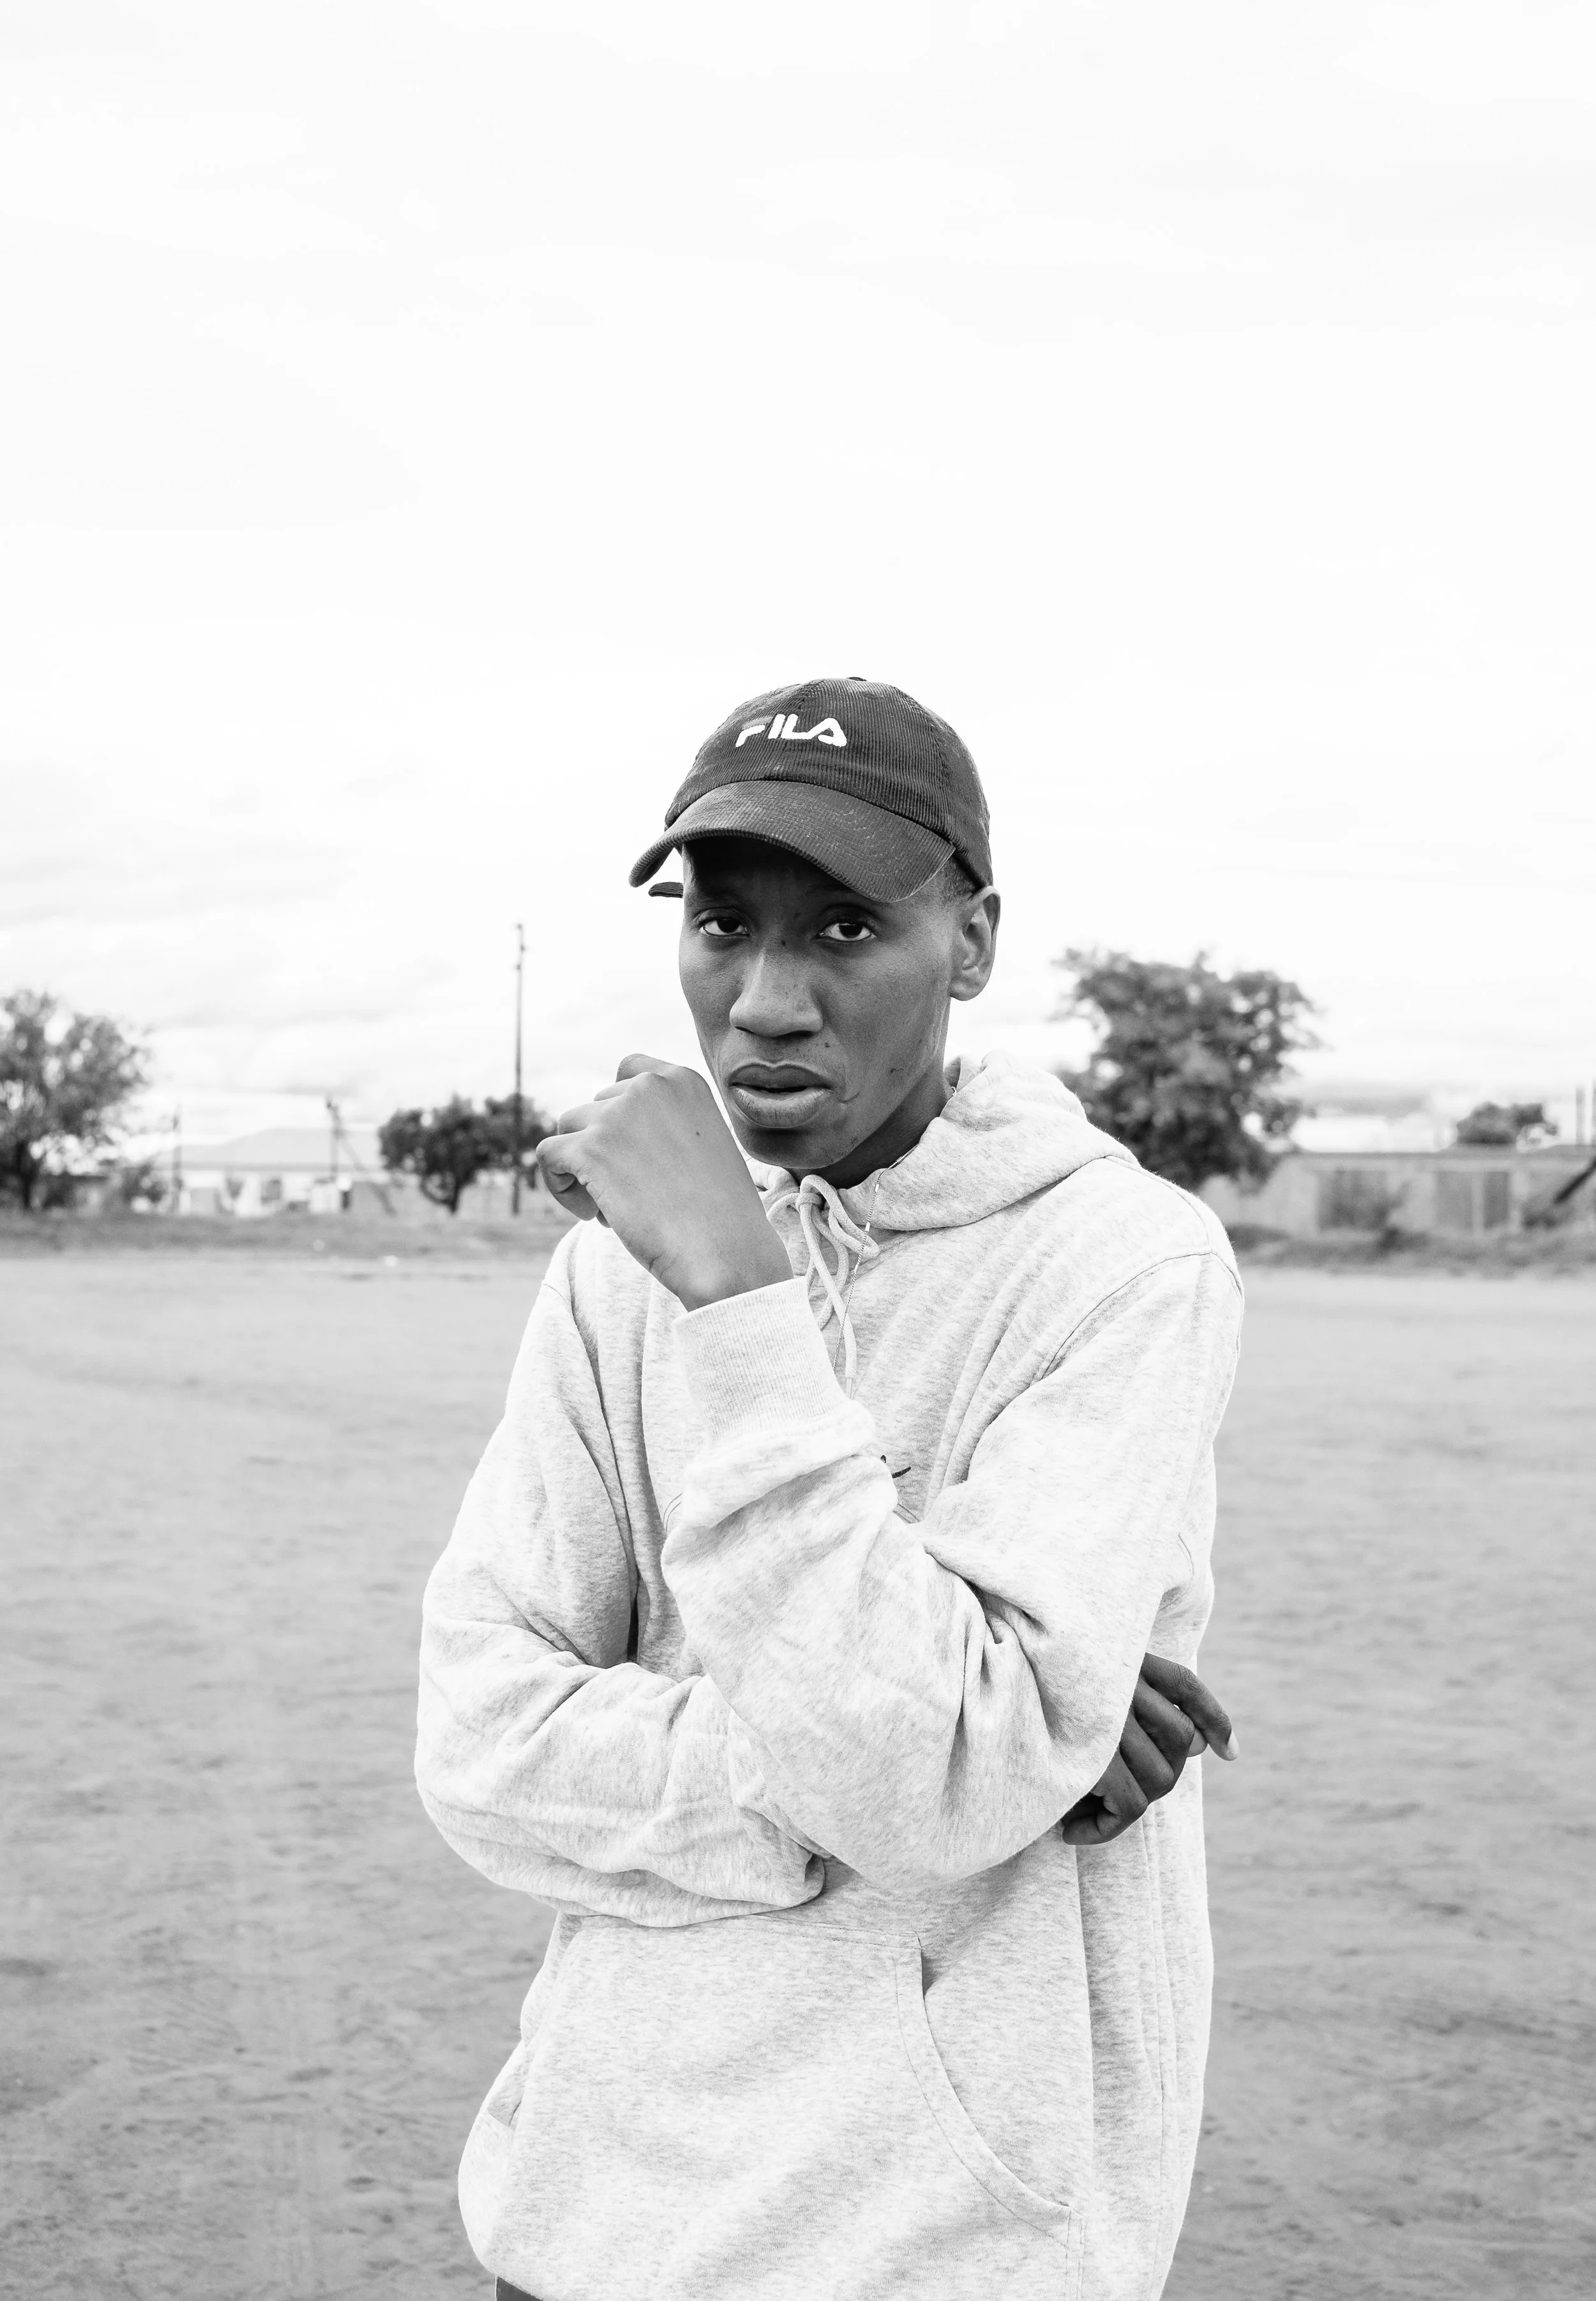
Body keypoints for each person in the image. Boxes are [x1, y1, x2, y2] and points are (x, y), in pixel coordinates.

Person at [416, 677, 1244, 2301]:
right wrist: (1000, 1739)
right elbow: (478, 1741)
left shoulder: (1125, 1264)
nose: (767, 999)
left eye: (847, 929)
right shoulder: (611, 1278)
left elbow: (931, 1770)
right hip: (595, 2207)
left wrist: (738, 1299)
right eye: (723, 925)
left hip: (940, 2237)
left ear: (974, 939)